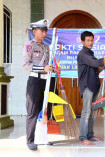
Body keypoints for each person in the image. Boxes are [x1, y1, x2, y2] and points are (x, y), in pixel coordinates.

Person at [23, 19, 59, 151]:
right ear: (34, 31)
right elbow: (26, 65)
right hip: (35, 81)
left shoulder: (46, 47)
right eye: (41, 31)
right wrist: (43, 69)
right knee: (32, 111)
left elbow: (47, 66)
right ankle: (30, 140)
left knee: (45, 110)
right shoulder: (29, 45)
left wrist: (54, 69)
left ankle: (42, 138)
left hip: (46, 81)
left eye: (45, 31)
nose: (44, 33)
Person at [77, 31, 105, 146]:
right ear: (82, 41)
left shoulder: (90, 53)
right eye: (88, 40)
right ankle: (83, 137)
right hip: (87, 87)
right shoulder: (83, 54)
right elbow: (95, 63)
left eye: (92, 40)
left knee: (93, 112)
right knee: (86, 112)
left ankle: (90, 135)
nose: (90, 42)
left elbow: (96, 69)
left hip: (94, 86)